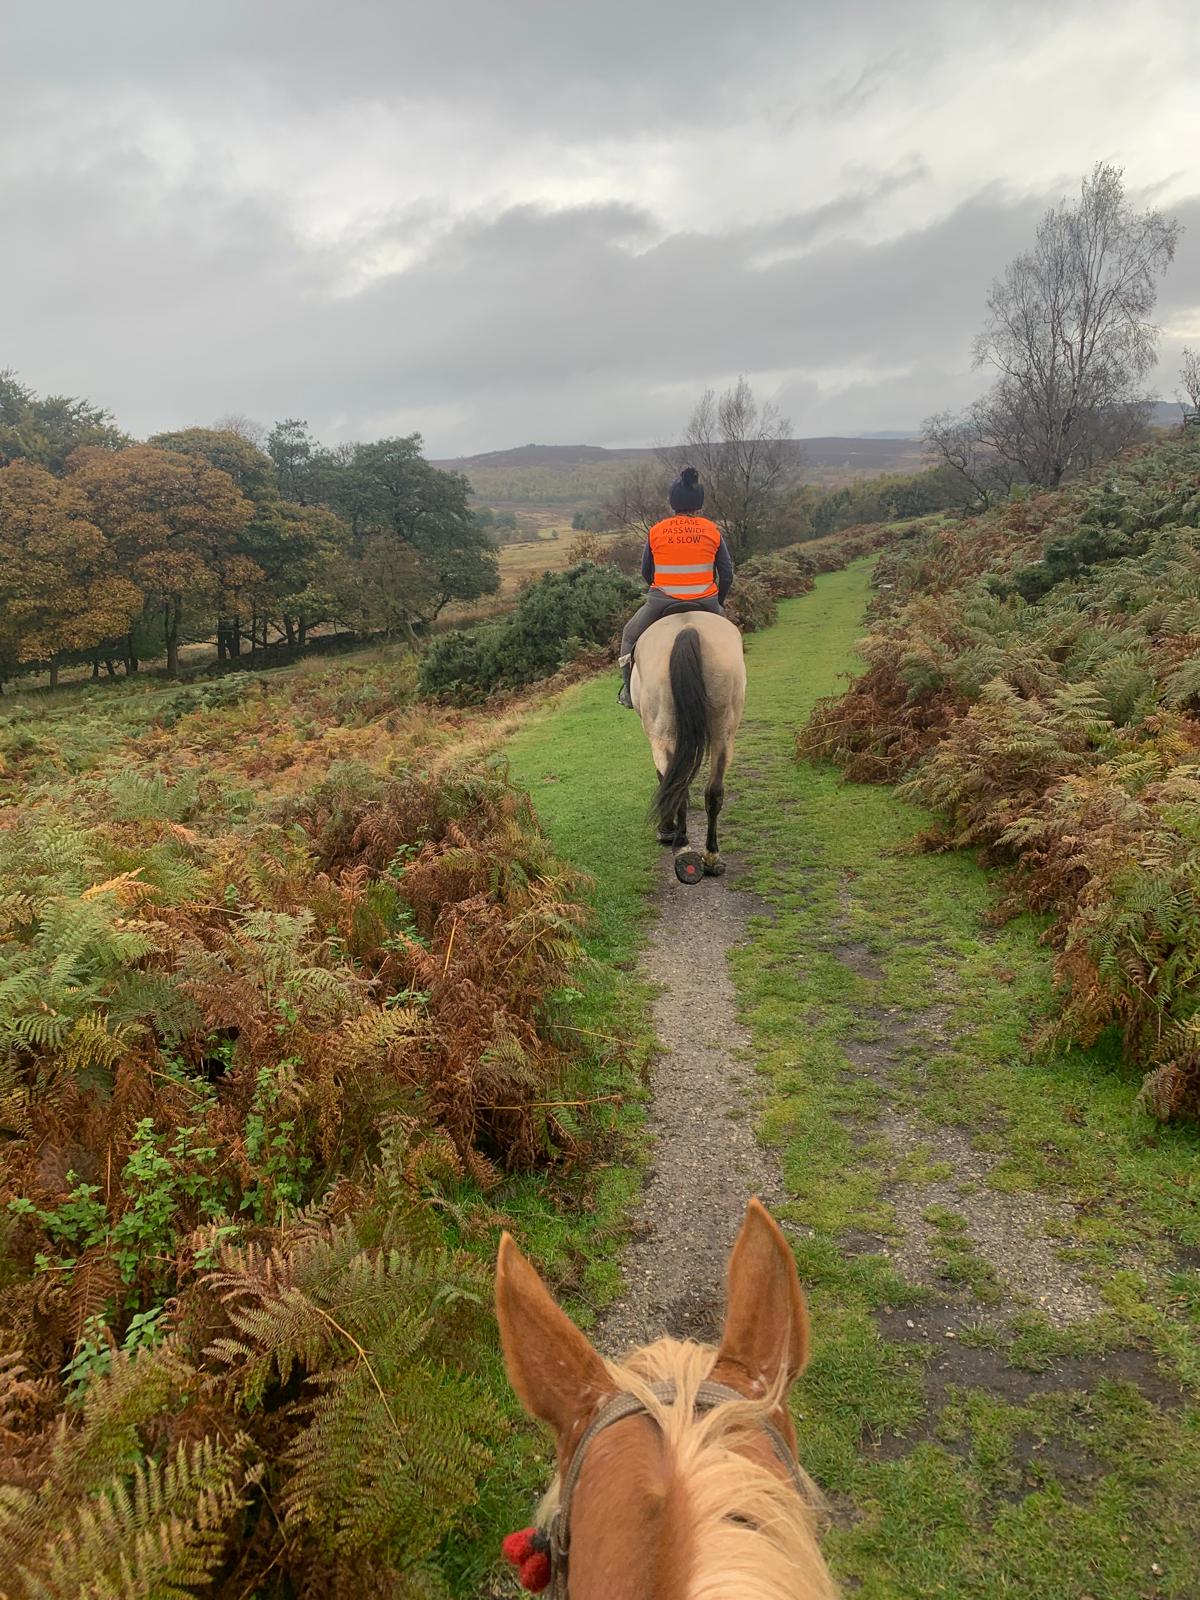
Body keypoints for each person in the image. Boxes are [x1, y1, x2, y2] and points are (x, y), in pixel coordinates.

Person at [616, 465, 733, 708]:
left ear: (672, 502)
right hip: (706, 601)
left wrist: (660, 590)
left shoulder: (656, 531)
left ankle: (628, 694)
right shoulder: (712, 530)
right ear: (698, 502)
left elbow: (646, 572)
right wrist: (717, 602)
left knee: (628, 636)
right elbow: (727, 573)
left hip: (662, 601)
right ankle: (735, 688)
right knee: (732, 638)